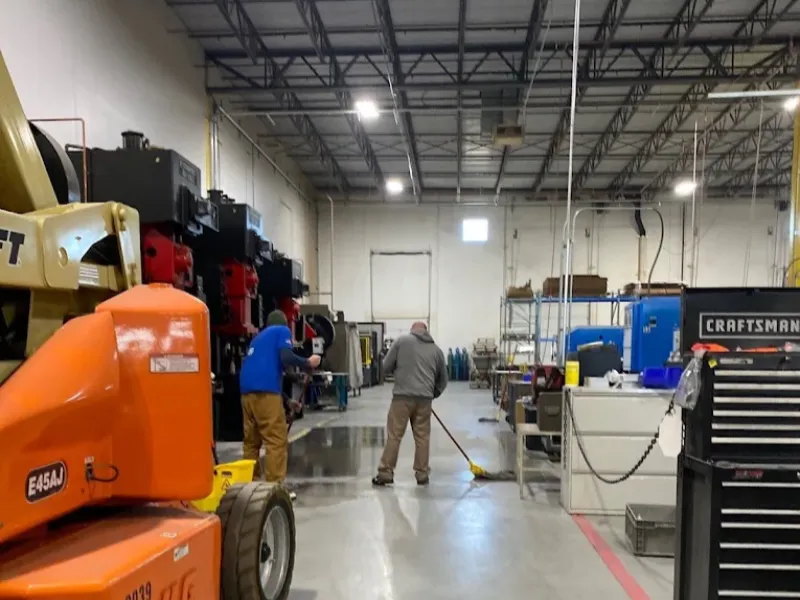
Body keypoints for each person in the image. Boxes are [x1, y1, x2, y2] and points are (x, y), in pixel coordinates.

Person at [239, 309, 320, 484]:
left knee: (251, 443)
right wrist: (308, 362)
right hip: (265, 394)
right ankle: (274, 489)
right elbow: (286, 356)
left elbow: (265, 373)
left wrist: (286, 401)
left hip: (246, 393)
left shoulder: (258, 339)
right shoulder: (281, 331)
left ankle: (249, 487)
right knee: (276, 441)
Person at [372, 321, 448, 486]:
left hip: (402, 398)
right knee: (422, 437)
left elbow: (385, 367)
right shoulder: (437, 350)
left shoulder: (402, 341)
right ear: (426, 331)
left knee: (395, 435)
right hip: (424, 399)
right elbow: (443, 380)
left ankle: (385, 472)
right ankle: (422, 474)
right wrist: (432, 394)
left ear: (412, 330)